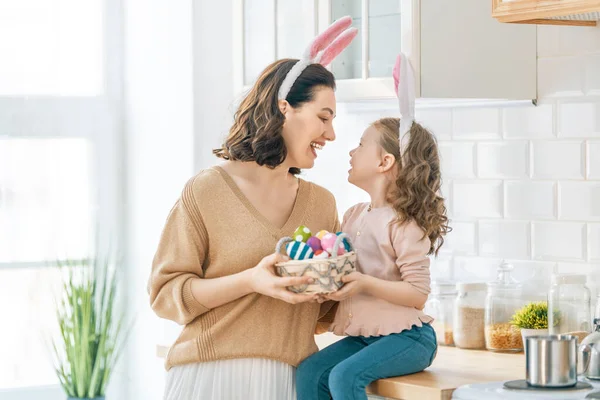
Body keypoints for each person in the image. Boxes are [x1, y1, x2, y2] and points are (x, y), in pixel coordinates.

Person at [148, 17, 357, 400]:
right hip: (209, 378)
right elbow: (165, 295)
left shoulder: (322, 204)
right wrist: (251, 280)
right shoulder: (207, 191)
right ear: (284, 108)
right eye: (323, 118)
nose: (331, 134)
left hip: (291, 381)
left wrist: (334, 291)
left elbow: (320, 318)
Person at [296, 53, 451, 400]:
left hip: (408, 338)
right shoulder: (353, 215)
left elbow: (417, 294)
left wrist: (362, 283)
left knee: (344, 377)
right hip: (369, 336)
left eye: (361, 144)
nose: (351, 151)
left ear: (385, 161)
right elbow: (343, 268)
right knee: (310, 371)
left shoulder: (404, 225)